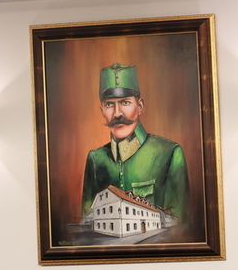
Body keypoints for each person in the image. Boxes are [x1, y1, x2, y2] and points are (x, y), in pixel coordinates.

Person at [81, 62, 189, 222]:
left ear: (140, 106)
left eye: (125, 102)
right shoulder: (96, 159)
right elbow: (87, 221)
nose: (117, 114)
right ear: (101, 110)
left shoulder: (170, 153)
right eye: (109, 104)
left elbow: (179, 225)